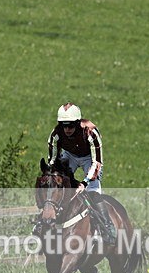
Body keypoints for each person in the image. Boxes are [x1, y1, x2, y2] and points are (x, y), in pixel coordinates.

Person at [44, 103, 116, 244]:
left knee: (94, 191)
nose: (67, 129)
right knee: (56, 185)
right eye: (64, 126)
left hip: (90, 158)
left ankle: (107, 227)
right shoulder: (55, 134)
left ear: (77, 123)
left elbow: (97, 162)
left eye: (71, 125)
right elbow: (52, 160)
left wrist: (84, 183)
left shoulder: (90, 132)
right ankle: (46, 221)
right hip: (69, 155)